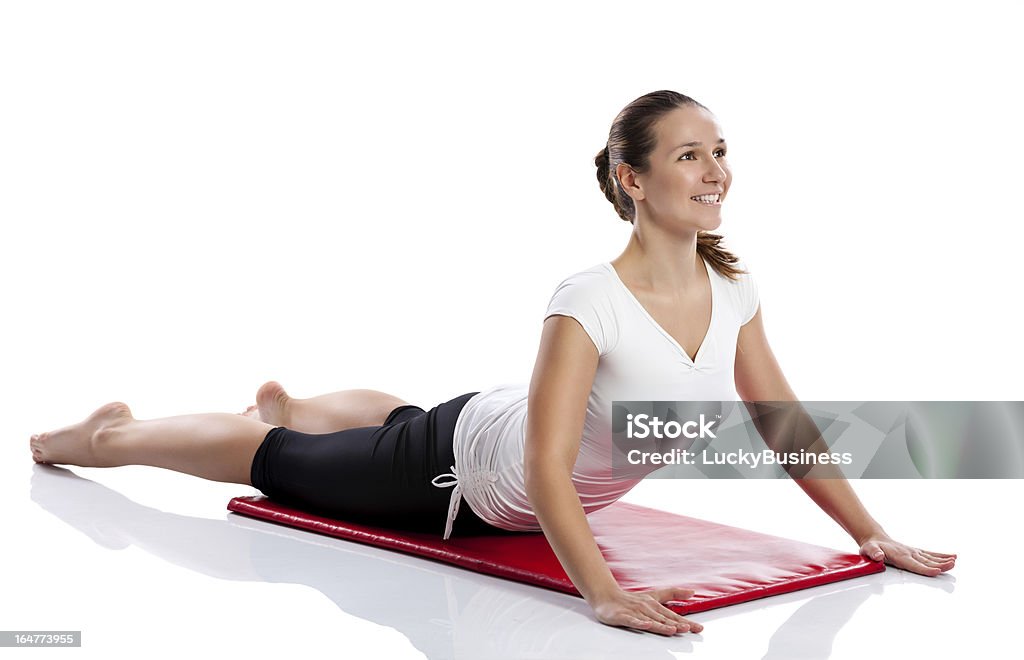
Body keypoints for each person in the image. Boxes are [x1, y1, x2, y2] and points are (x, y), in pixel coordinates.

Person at [30, 90, 956, 638]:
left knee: (399, 422)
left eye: (720, 152)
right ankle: (115, 434)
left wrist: (873, 535)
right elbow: (549, 468)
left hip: (490, 427)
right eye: (688, 155)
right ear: (633, 180)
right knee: (271, 462)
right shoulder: (587, 299)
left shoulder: (737, 289)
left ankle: (306, 401)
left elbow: (782, 423)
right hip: (457, 481)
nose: (715, 170)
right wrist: (603, 594)